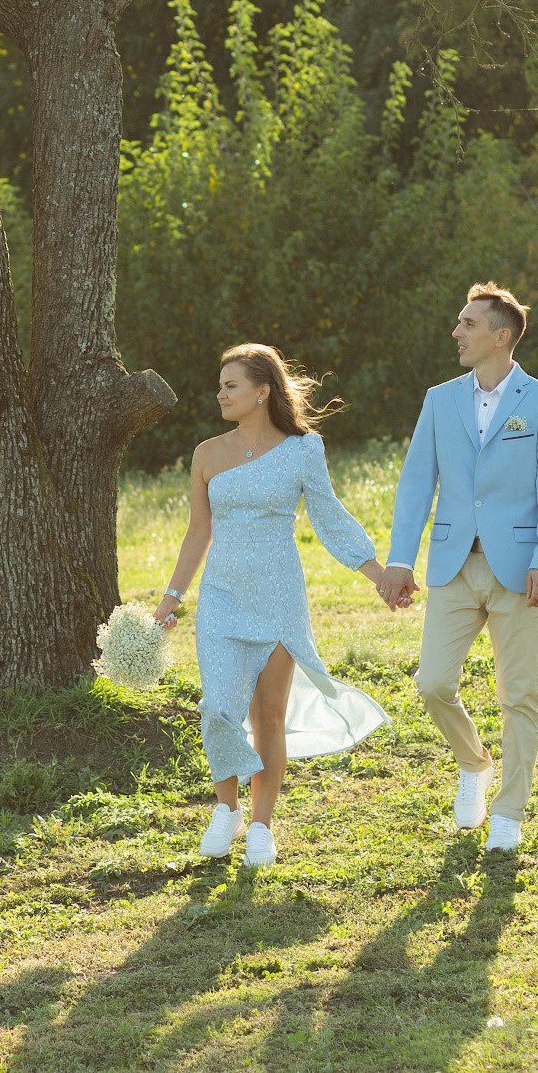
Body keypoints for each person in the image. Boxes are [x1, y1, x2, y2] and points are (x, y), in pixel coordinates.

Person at [156, 343, 396, 867]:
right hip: (221, 597)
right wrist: (171, 598)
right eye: (220, 386)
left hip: (279, 596)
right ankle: (227, 809)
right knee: (218, 708)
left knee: (268, 714)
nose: (220, 395)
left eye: (231, 386)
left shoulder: (303, 449)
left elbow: (329, 517)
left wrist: (378, 574)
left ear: (262, 391)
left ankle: (262, 825)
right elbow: (198, 533)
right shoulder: (206, 453)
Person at [380, 283, 538, 854]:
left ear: (501, 335)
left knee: (520, 697)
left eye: (468, 324)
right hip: (453, 563)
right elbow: (416, 483)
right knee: (433, 683)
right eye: (459, 322)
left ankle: (508, 813)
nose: (457, 332)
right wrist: (399, 559)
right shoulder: (439, 400)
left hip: (521, 568)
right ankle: (474, 762)